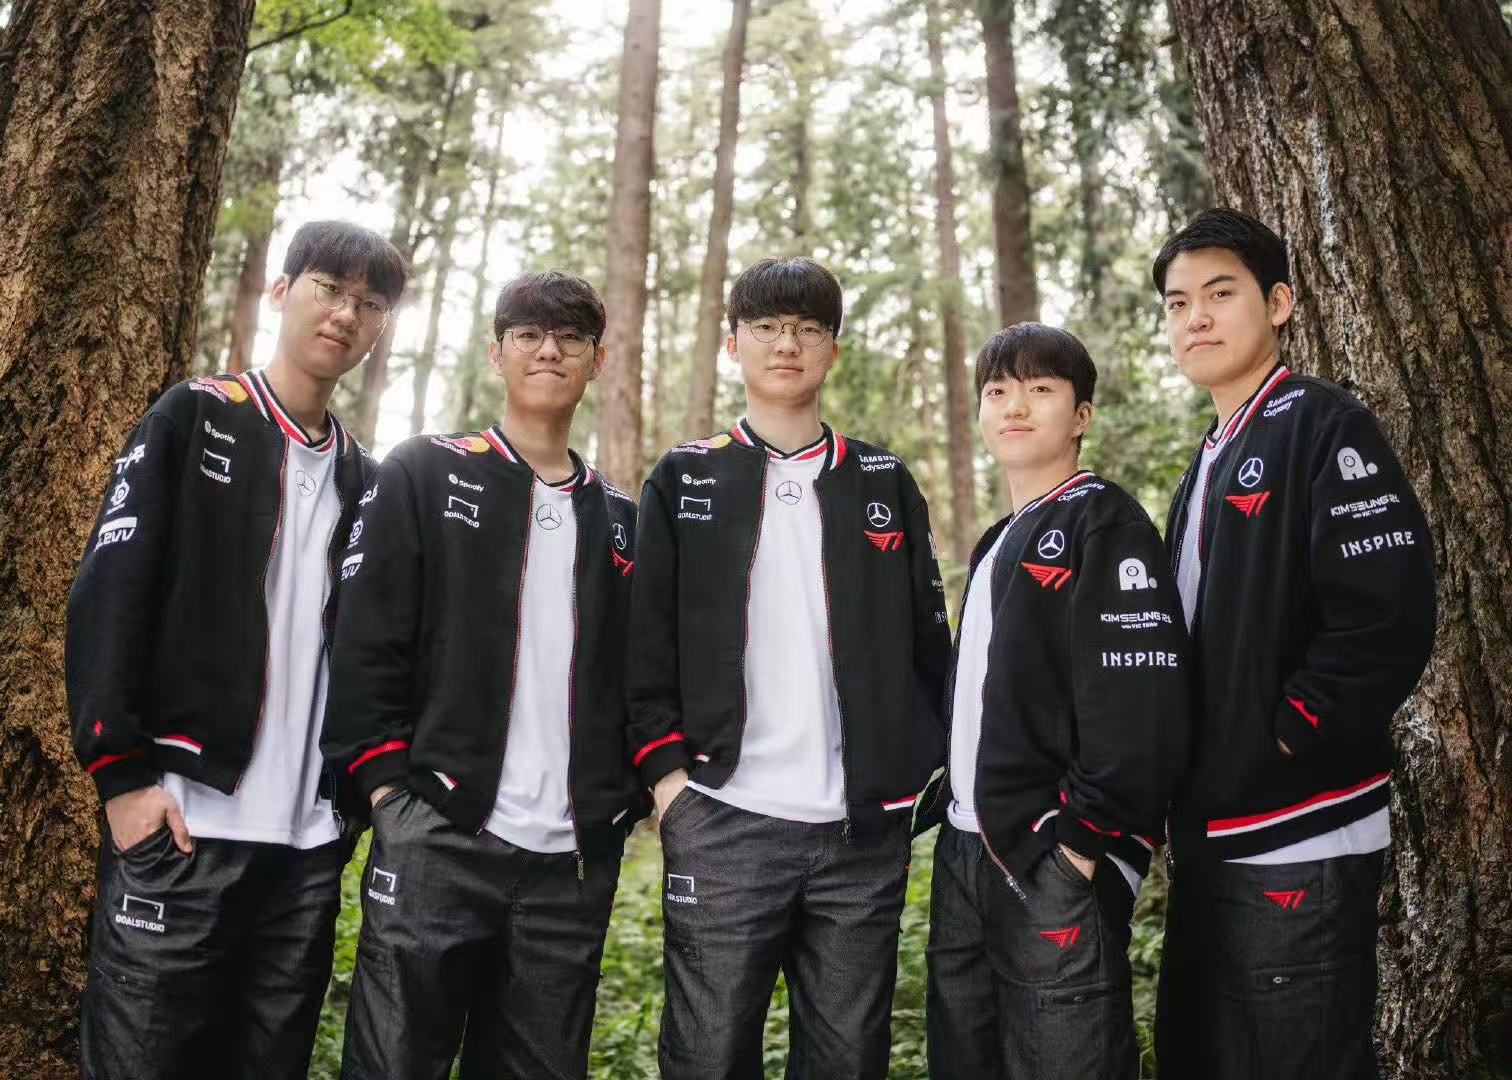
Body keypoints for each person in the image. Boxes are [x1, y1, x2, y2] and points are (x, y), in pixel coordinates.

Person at [68, 220, 407, 1079]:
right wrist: (121, 779)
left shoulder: (366, 480)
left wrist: (349, 808)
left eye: (369, 303)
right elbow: (109, 591)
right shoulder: (194, 416)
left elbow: (374, 655)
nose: (346, 314)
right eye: (329, 288)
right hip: (182, 828)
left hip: (304, 851)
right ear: (282, 291)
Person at [626, 256, 953, 1080]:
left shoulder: (883, 479)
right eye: (766, 327)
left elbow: (929, 643)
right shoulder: (684, 476)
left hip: (859, 831)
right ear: (733, 343)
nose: (787, 344)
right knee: (706, 1059)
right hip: (723, 815)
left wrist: (909, 774)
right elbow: (643, 646)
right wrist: (670, 787)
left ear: (833, 350)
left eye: (809, 329)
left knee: (848, 1060)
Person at [322, 270, 644, 1079]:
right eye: (529, 335)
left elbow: (639, 679)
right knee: (395, 1064)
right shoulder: (425, 472)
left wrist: (617, 807)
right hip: (438, 834)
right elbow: (365, 635)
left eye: (570, 338)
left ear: (596, 360)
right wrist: (387, 790)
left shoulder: (622, 520)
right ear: (497, 354)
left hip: (570, 862)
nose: (549, 351)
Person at [1151, 208, 1437, 1079]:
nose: (1195, 318)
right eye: (1177, 304)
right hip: (1216, 830)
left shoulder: (1323, 424)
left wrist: (1285, 736)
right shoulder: (1210, 458)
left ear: (1278, 304)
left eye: (1219, 294)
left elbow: (1386, 615)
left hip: (1300, 832)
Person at [919, 323, 1192, 1080]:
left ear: (1081, 416)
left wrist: (1079, 841)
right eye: (998, 390)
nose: (1015, 406)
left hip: (1051, 853)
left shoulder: (1103, 521)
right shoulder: (999, 539)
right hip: (966, 848)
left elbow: (1143, 700)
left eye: (1041, 389)